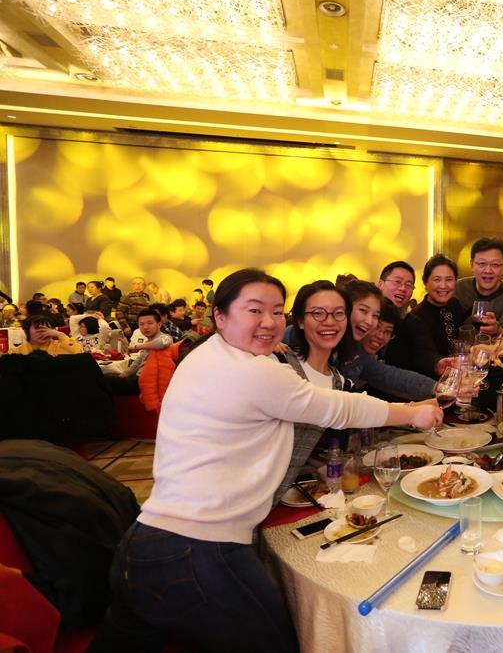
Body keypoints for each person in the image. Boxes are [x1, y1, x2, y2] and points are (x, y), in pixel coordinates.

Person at [90, 268, 442, 652]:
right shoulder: (253, 371)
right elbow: (337, 408)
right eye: (255, 310)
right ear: (220, 316)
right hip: (198, 551)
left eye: (276, 311)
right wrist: (413, 413)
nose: (269, 322)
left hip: (146, 544)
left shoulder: (214, 354)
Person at [272, 280, 353, 503]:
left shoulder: (339, 382)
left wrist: (322, 468)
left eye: (339, 313)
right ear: (299, 321)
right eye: (318, 313)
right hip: (243, 501)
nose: (330, 321)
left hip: (292, 499)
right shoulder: (278, 363)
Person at [386, 254, 468, 379]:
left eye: (449, 279)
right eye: (437, 279)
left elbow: (460, 340)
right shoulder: (417, 317)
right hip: (431, 380)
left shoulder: (455, 304)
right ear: (425, 283)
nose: (443, 286)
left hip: (455, 374)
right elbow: (425, 356)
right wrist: (439, 365)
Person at [454, 237, 503, 335]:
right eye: (482, 263)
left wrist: (497, 329)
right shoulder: (458, 288)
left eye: (495, 264)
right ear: (471, 264)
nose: (488, 270)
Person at [10, 315, 83, 356]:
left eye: (47, 329)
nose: (44, 333)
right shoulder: (17, 352)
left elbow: (79, 355)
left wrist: (60, 334)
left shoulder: (61, 345)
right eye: (38, 329)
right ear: (27, 331)